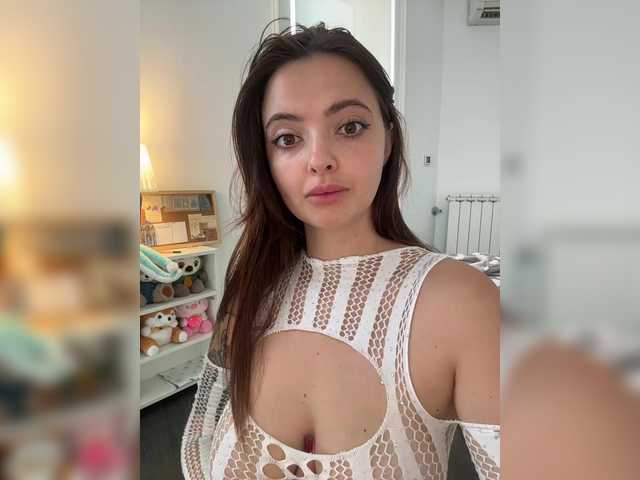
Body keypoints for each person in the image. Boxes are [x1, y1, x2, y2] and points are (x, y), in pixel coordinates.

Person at [182, 22, 500, 480]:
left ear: (388, 138)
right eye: (287, 138)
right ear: (265, 159)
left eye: (350, 127)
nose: (319, 160)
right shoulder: (252, 287)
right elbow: (203, 443)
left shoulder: (463, 303)